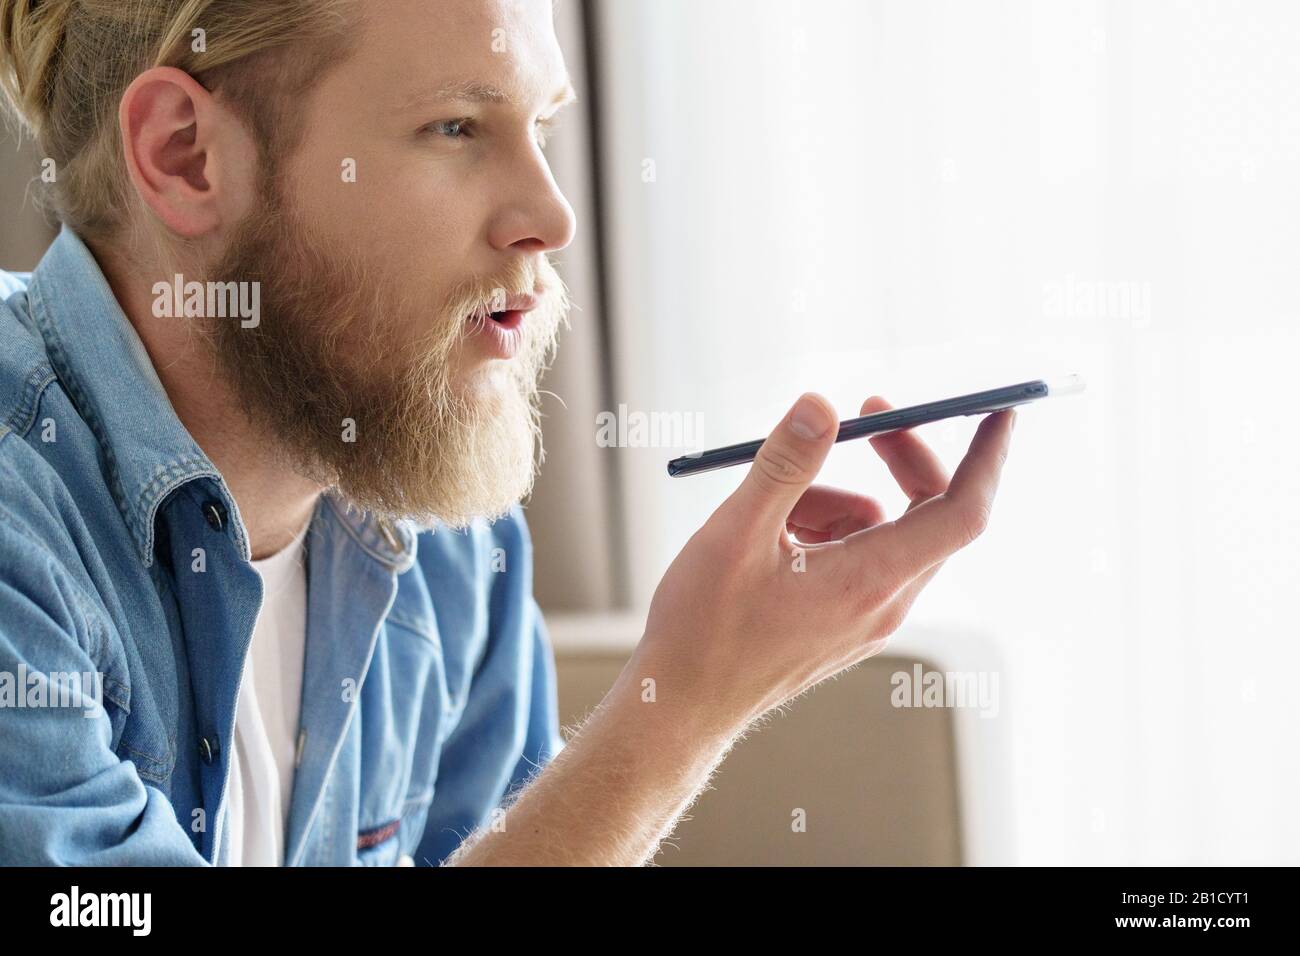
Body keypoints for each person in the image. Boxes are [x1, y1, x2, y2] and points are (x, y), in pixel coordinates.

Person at [0, 0, 1013, 866]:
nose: (551, 214)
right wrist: (678, 714)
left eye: (541, 127)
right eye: (455, 128)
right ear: (185, 155)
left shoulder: (446, 541)